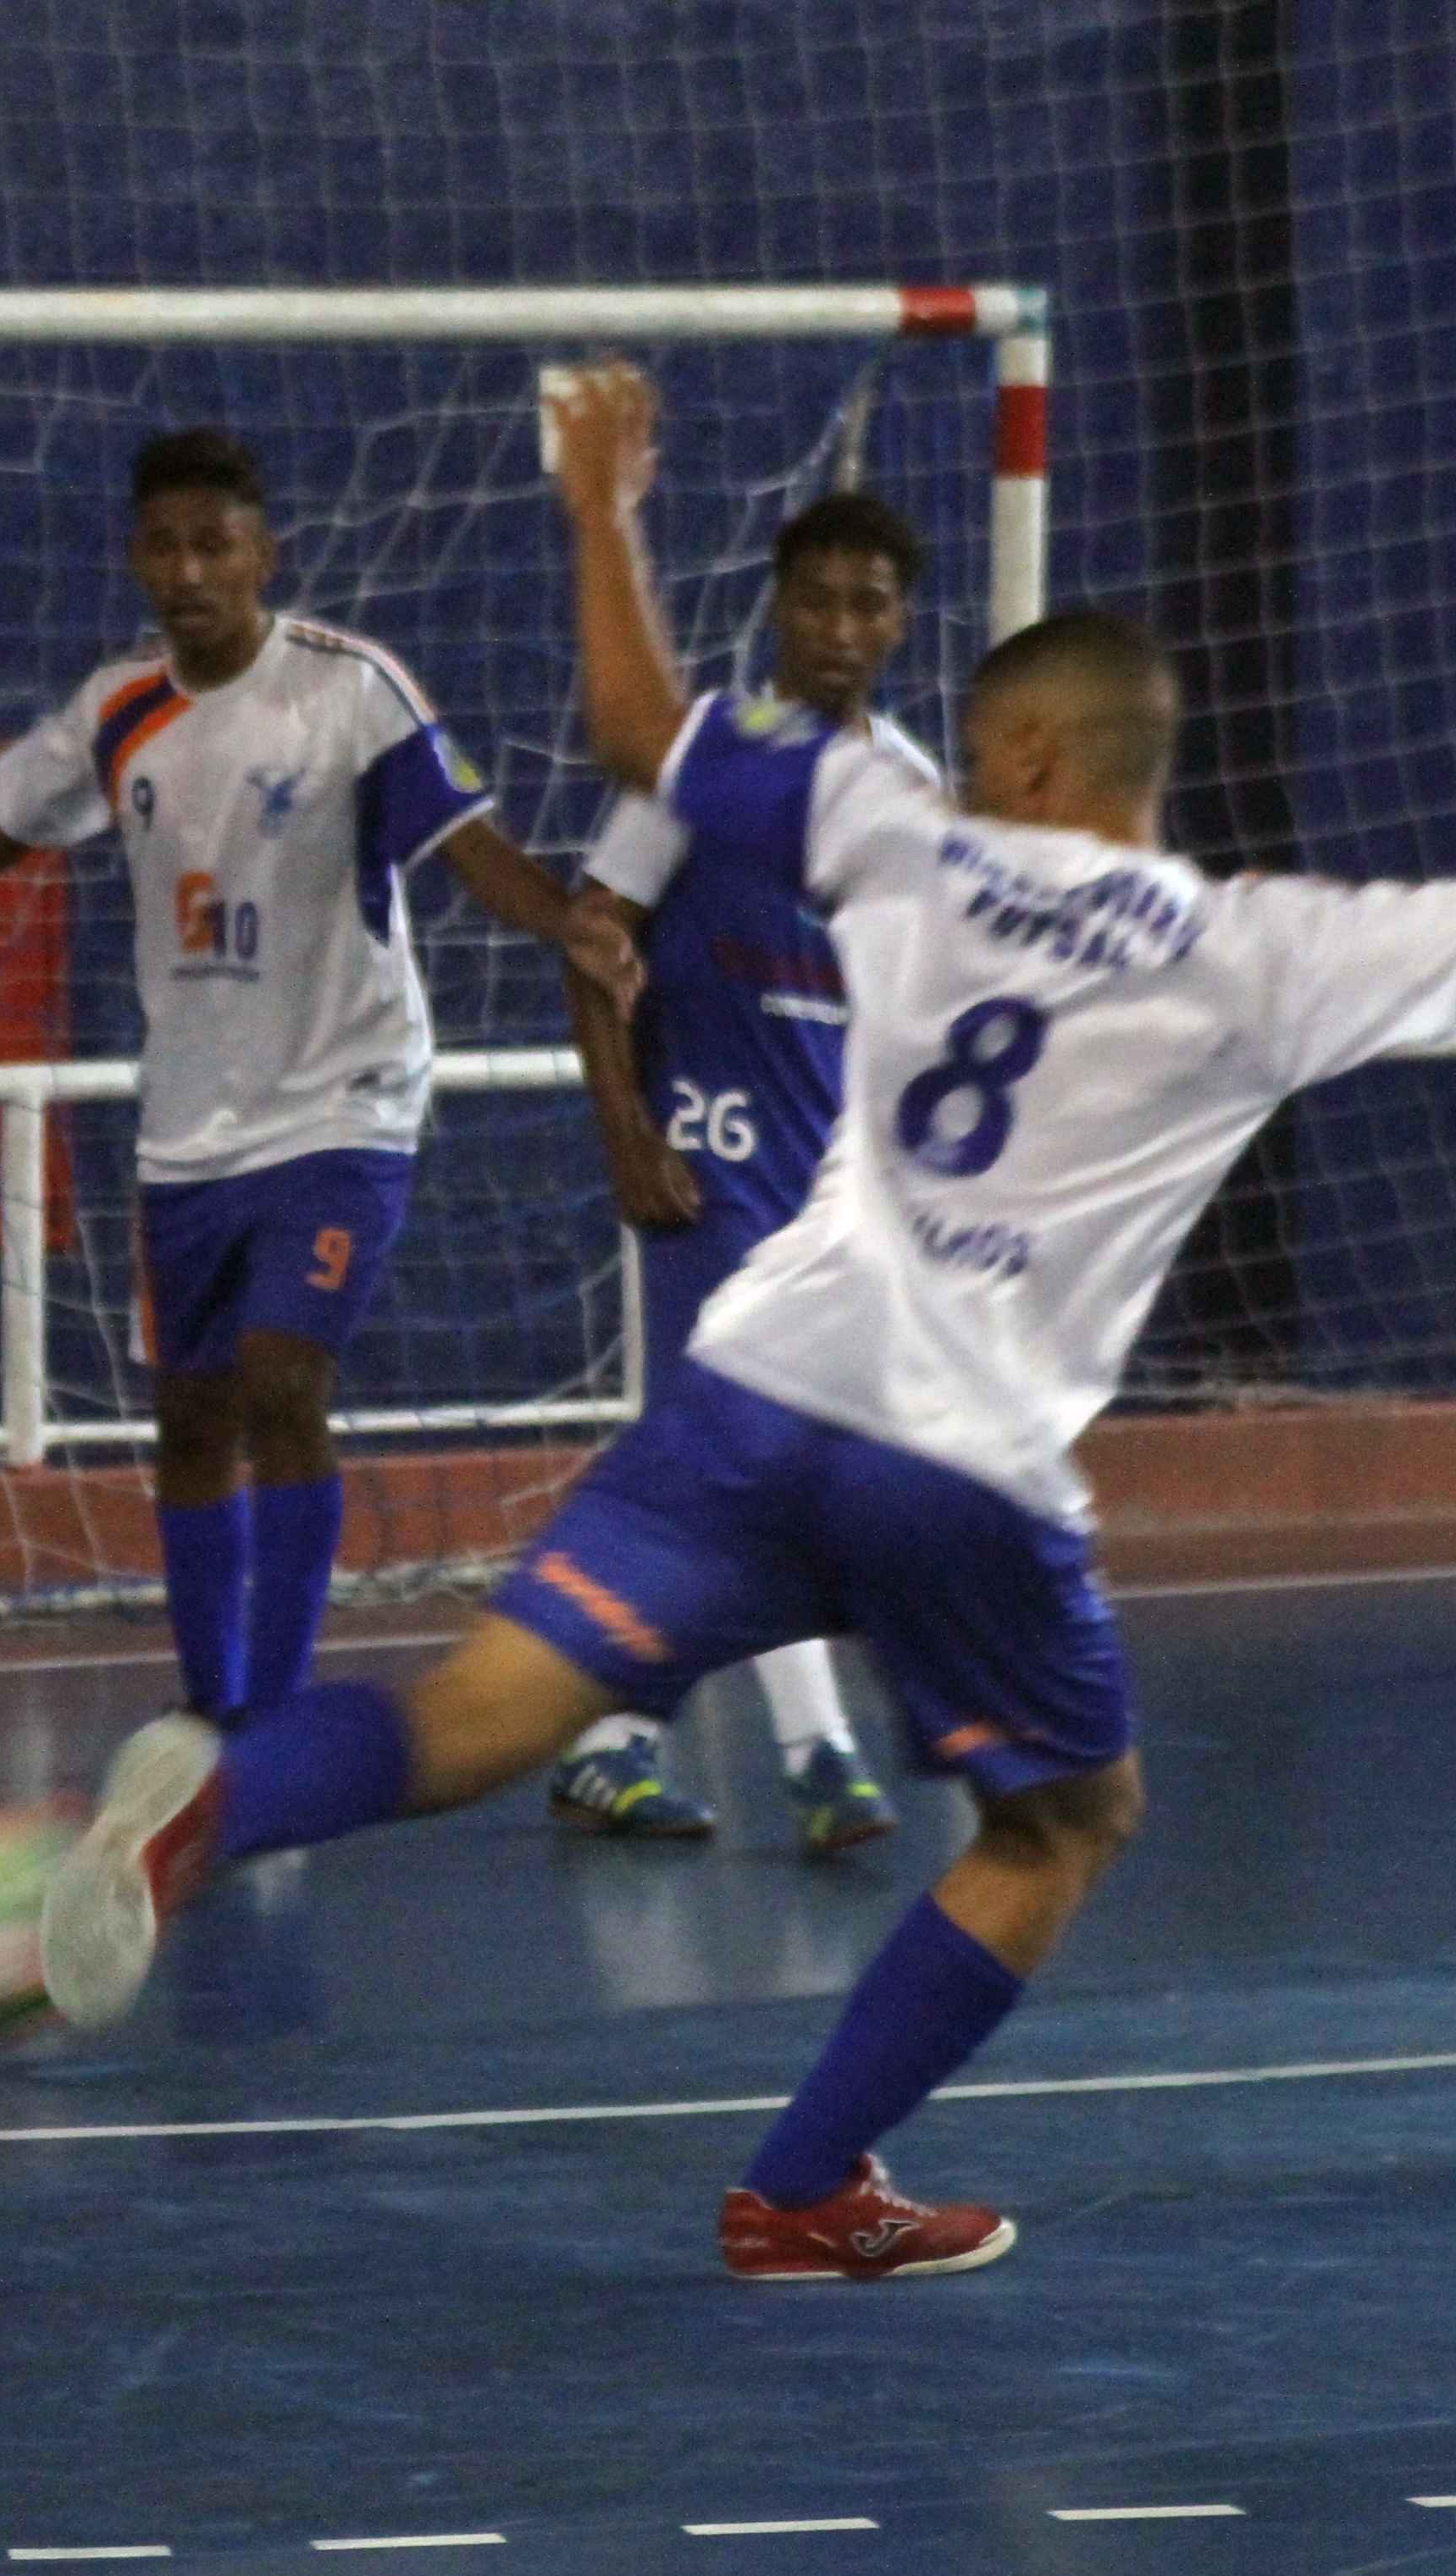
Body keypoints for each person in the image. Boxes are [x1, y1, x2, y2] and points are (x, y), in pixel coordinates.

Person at [20, 357, 1456, 2280]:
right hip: (957, 1451)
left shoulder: (891, 832)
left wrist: (596, 505)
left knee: (472, 1717)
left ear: (1034, 761)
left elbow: (637, 727)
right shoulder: (1246, 948)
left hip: (755, 1381)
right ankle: (801, 2184)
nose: (975, 777)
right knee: (1068, 1821)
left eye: (989, 752)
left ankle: (213, 1800)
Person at [0, 428, 625, 1730]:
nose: (191, 569)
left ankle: (279, 1711)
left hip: (345, 1100)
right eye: (167, 546)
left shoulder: (350, 690)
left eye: (217, 543)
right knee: (193, 1422)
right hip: (192, 1129)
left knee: (281, 1382)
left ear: (264, 554)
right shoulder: (119, 707)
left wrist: (568, 923)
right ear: (138, 559)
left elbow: (467, 842)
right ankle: (212, 1719)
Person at [542, 492, 936, 1858]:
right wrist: (624, 1136)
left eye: (864, 604)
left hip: (839, 1191)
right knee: (761, 1459)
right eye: (813, 600)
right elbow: (592, 939)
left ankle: (604, 1737)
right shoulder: (695, 762)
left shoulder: (909, 786)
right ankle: (817, 1752)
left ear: (896, 621)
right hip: (709, 1175)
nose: (836, 629)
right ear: (775, 607)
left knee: (772, 1474)